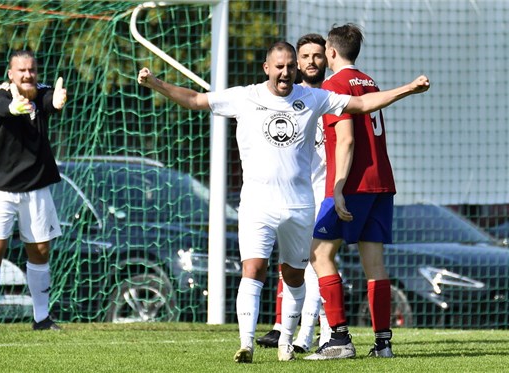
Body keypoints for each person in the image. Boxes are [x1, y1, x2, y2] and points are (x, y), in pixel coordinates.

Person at [137, 41, 429, 363]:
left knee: (293, 275)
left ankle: (286, 343)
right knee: (254, 268)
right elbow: (194, 99)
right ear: (267, 68)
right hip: (257, 204)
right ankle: (245, 344)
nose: (286, 72)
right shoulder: (245, 97)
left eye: (291, 66)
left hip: (299, 206)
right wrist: (155, 83)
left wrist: (408, 90)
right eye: (280, 66)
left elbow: (360, 105)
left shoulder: (312, 97)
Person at [305, 23, 399, 360]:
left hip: (354, 183)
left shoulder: (334, 85)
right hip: (381, 183)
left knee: (319, 254)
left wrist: (338, 188)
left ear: (331, 52)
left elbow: (345, 139)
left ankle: (340, 339)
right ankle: (383, 344)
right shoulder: (368, 81)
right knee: (375, 264)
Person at [0, 50, 67, 334]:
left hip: (36, 187)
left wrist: (55, 102)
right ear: (10, 74)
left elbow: (47, 100)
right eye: (21, 71)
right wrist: (13, 108)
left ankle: (42, 318)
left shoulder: (41, 92)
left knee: (41, 250)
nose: (27, 75)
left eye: (31, 70)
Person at [256, 33, 331, 353]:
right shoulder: (284, 99)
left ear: (327, 58)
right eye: (305, 57)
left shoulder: (331, 96)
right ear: (296, 62)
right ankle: (289, 326)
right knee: (294, 263)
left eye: (317, 56)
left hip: (325, 192)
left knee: (319, 260)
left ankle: (317, 330)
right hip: (295, 194)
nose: (311, 62)